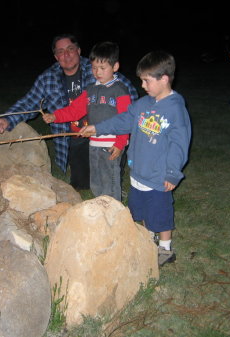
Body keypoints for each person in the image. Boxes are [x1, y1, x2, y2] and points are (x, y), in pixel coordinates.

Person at [80, 50, 191, 266]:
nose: (142, 86)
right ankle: (146, 242)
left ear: (164, 79)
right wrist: (97, 128)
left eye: (146, 81)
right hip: (139, 172)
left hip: (159, 177)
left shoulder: (175, 109)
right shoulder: (143, 104)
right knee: (139, 210)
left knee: (160, 214)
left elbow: (179, 144)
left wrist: (172, 172)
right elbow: (122, 120)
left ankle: (165, 249)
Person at [0, 34, 138, 190]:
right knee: (83, 184)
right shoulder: (48, 78)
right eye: (60, 51)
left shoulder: (99, 68)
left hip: (109, 135)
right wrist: (7, 119)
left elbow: (131, 98)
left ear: (79, 51)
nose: (66, 55)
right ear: (56, 56)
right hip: (75, 139)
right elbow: (29, 102)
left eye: (70, 49)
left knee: (109, 177)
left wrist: (122, 138)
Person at [42, 41, 131, 201]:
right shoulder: (90, 90)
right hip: (94, 143)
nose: (97, 72)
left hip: (111, 144)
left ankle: (112, 209)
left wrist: (120, 142)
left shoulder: (120, 90)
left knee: (109, 179)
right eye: (94, 68)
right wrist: (55, 116)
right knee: (96, 179)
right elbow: (74, 110)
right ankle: (99, 204)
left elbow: (125, 119)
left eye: (102, 68)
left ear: (115, 67)